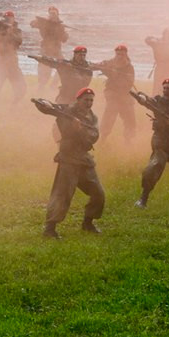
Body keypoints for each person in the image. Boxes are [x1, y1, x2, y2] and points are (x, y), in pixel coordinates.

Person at [34, 87, 104, 239]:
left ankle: (88, 223)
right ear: (78, 100)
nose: (89, 103)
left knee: (99, 194)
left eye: (91, 100)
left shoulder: (93, 119)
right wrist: (43, 103)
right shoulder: (66, 110)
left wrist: (79, 130)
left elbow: (92, 138)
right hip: (68, 160)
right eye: (86, 99)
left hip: (84, 161)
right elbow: (48, 108)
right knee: (62, 195)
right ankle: (50, 228)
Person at [133, 78, 169, 208]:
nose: (165, 91)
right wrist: (140, 97)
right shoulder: (158, 101)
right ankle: (143, 199)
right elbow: (147, 102)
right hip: (161, 142)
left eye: (168, 88)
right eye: (164, 88)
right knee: (153, 168)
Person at [95, 44, 137, 141]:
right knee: (109, 115)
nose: (119, 56)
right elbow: (96, 66)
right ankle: (103, 138)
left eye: (121, 54)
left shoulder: (129, 67)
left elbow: (128, 83)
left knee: (130, 119)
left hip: (125, 94)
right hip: (112, 94)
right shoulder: (110, 62)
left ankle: (128, 140)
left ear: (125, 54)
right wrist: (101, 67)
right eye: (117, 54)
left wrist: (115, 75)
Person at [0, 10, 27, 103]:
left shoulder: (17, 30)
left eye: (10, 18)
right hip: (1, 62)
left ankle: (14, 105)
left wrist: (10, 31)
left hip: (12, 63)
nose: (8, 20)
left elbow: (19, 41)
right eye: (6, 18)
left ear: (13, 19)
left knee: (21, 88)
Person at [30, 6, 70, 90]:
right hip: (46, 48)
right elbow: (32, 24)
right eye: (51, 13)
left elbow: (64, 39)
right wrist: (41, 22)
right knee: (44, 68)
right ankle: (41, 86)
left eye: (54, 13)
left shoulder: (60, 26)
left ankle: (53, 85)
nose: (52, 15)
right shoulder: (44, 22)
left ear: (57, 14)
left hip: (56, 49)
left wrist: (64, 33)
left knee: (64, 66)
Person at [145, 28, 169, 93]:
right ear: (164, 35)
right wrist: (154, 39)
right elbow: (147, 40)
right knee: (157, 88)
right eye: (167, 34)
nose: (168, 36)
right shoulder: (157, 43)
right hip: (160, 68)